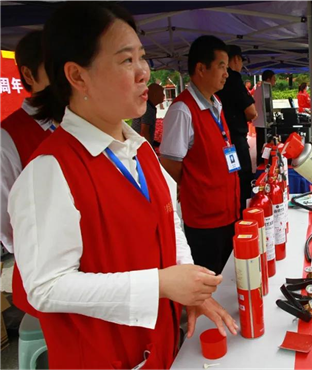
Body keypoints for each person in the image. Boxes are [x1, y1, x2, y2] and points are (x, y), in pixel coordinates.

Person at [8, 3, 237, 368]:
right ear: (77, 76)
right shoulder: (50, 170)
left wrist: (188, 283)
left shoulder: (141, 149)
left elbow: (169, 220)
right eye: (126, 60)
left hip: (159, 345)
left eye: (142, 57)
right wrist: (159, 284)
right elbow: (45, 287)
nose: (144, 72)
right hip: (104, 356)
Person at [160, 36, 240, 275]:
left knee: (226, 276)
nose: (227, 73)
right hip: (205, 219)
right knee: (209, 279)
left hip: (228, 210)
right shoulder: (183, 110)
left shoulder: (215, 103)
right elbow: (170, 164)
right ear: (201, 68)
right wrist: (198, 186)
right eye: (222, 66)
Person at [0, 30, 52, 317]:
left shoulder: (79, 122)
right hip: (43, 277)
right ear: (29, 75)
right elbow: (7, 222)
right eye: (53, 68)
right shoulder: (8, 137)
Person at [216, 44, 257, 212]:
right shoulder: (234, 79)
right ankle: (243, 215)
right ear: (236, 59)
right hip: (235, 138)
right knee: (243, 178)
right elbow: (251, 112)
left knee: (232, 179)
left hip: (223, 137)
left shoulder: (221, 82)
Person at [253, 69, 276, 164]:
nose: (275, 81)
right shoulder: (264, 89)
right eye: (274, 79)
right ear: (268, 79)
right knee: (263, 145)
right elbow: (267, 107)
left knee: (261, 144)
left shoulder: (259, 89)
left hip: (260, 121)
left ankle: (261, 161)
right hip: (263, 122)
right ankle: (262, 162)